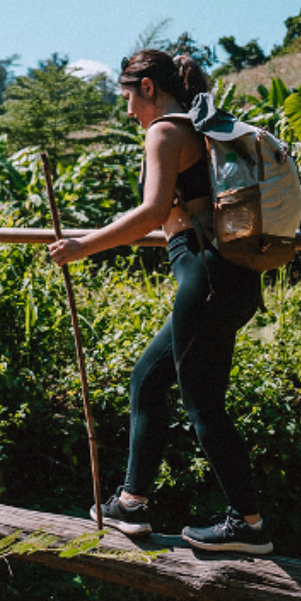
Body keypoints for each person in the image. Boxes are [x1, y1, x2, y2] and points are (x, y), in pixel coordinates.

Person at [46, 50, 272, 555]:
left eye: (128, 96)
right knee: (149, 379)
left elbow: (152, 212)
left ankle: (249, 524)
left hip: (207, 275)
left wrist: (83, 246)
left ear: (148, 87)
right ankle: (131, 503)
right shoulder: (200, 128)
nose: (127, 111)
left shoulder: (165, 131)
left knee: (201, 402)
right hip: (231, 279)